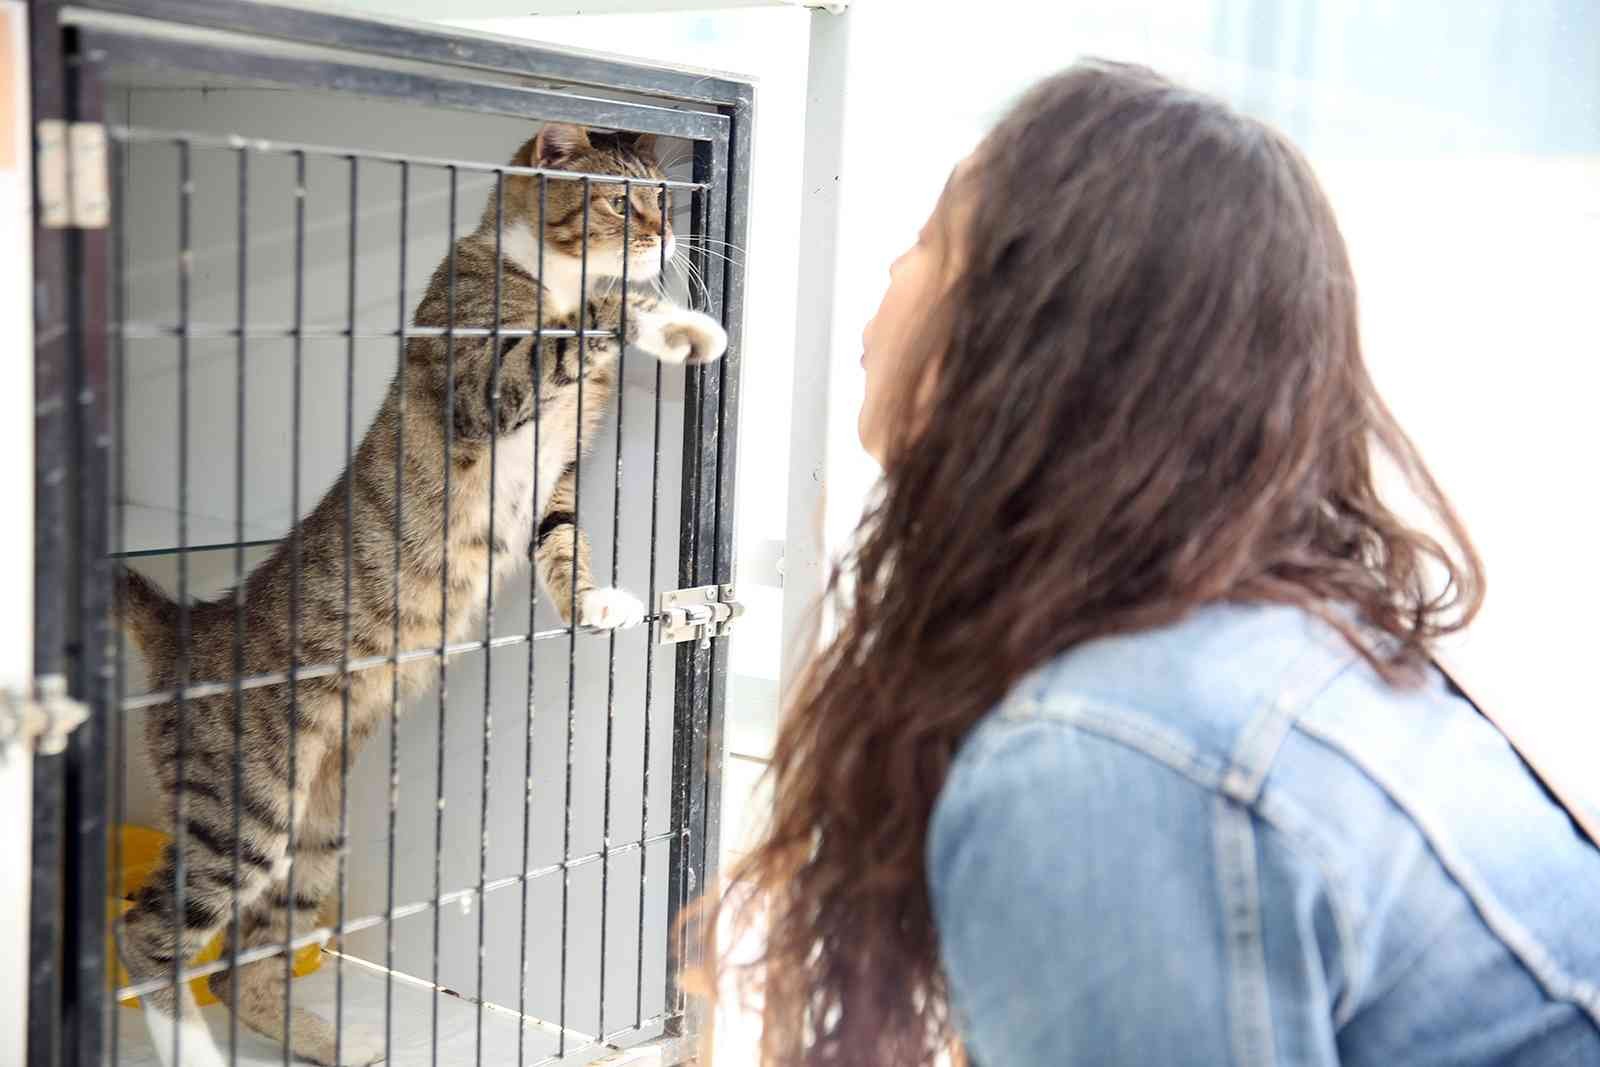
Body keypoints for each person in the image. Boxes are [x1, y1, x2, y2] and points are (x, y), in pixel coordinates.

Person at [704, 60, 1600, 1066]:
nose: (888, 268)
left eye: (928, 238)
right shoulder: (1248, 647)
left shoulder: (1107, 749)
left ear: (1028, 333)